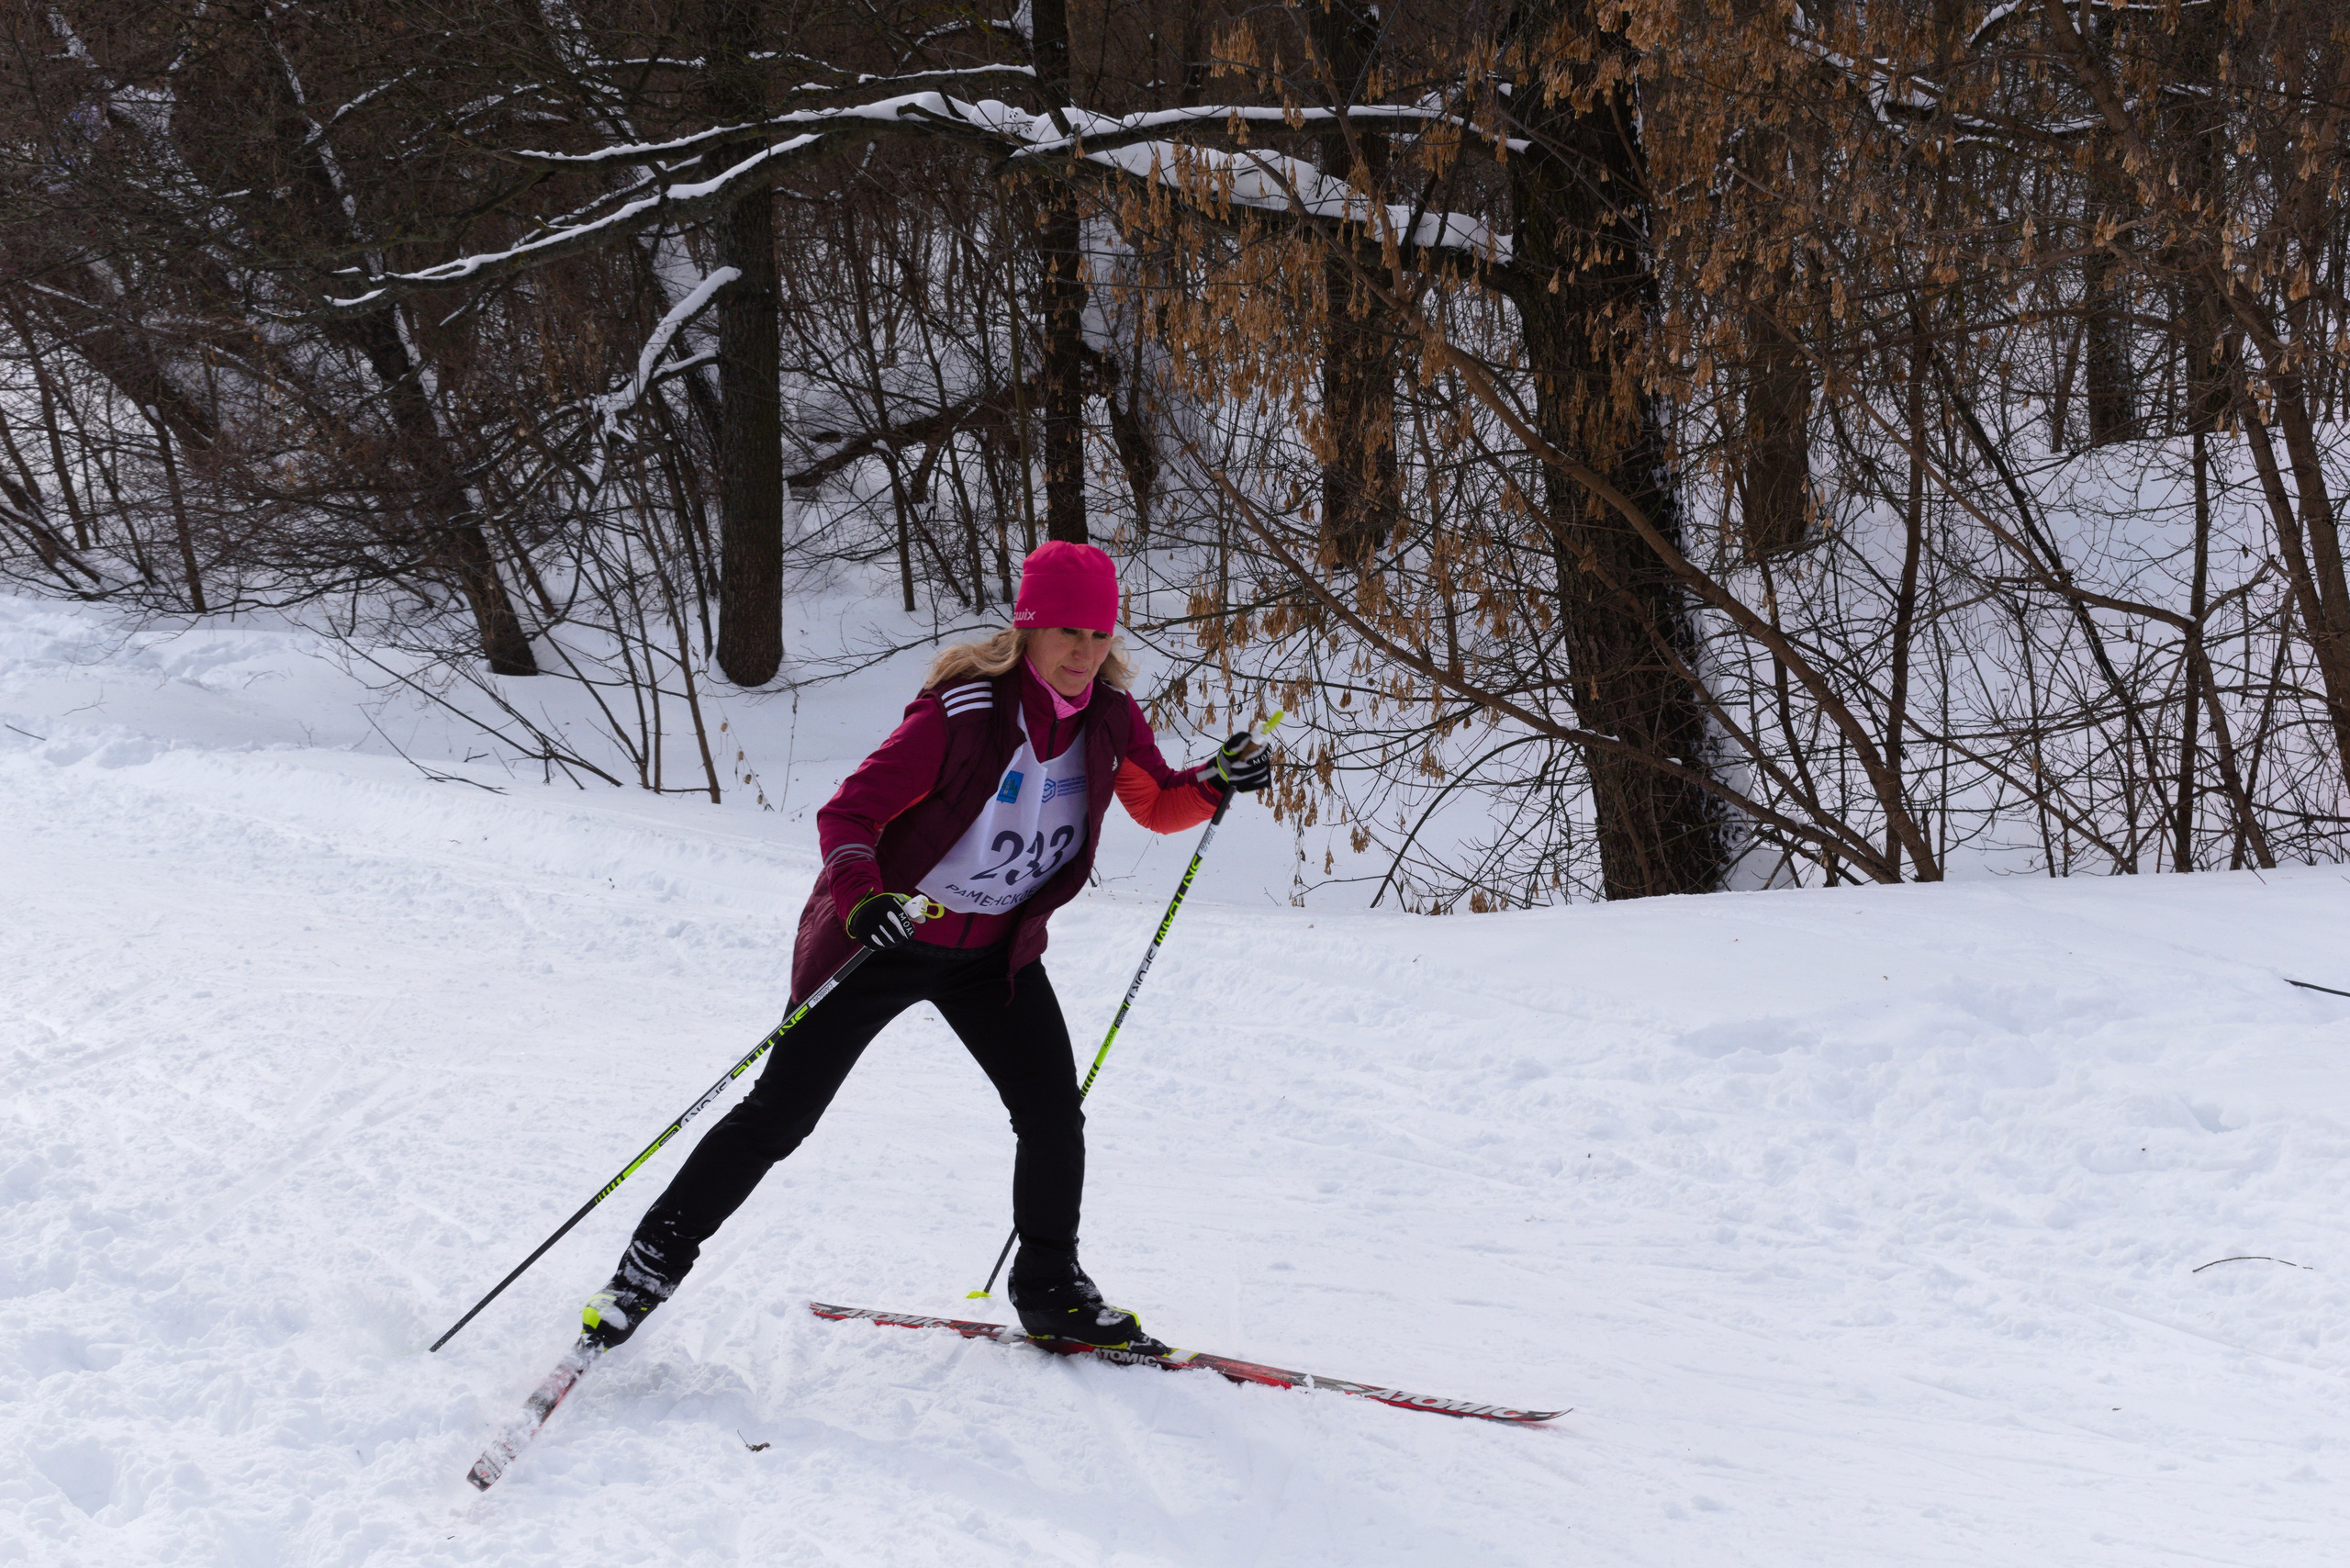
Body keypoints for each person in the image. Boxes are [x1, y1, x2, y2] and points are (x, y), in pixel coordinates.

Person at [578, 541, 1270, 1352]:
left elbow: (1156, 805)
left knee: (1052, 1114)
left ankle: (1051, 1291)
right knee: (779, 1116)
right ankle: (643, 1275)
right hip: (885, 938)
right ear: (1028, 630)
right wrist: (864, 901)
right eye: (1067, 633)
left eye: (1098, 636)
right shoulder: (966, 714)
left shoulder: (1110, 717)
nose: (1085, 653)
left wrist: (1215, 780)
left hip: (995, 953)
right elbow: (848, 815)